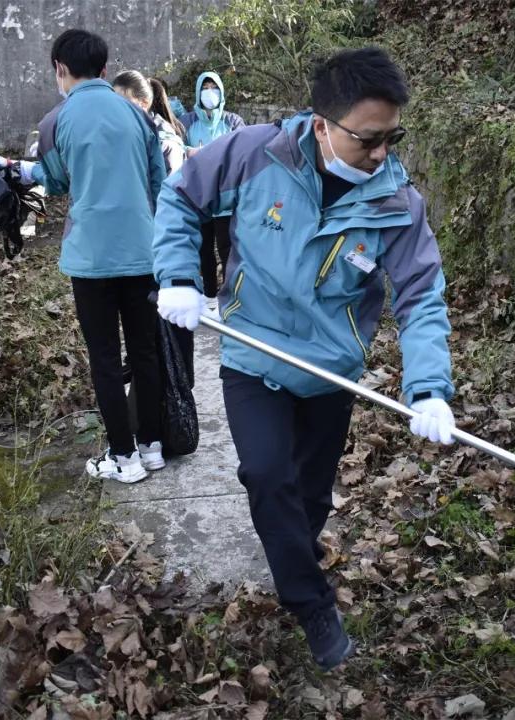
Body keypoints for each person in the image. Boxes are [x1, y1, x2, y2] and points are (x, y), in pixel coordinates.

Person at [153, 47, 457, 671]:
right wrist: (180, 275)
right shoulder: (254, 155)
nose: (382, 154)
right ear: (323, 124)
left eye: (392, 138)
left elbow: (422, 296)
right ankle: (311, 602)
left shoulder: (397, 205)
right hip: (253, 354)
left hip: (328, 370)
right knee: (267, 476)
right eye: (368, 139)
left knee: (310, 493)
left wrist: (428, 388)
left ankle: (294, 550)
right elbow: (181, 196)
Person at [18, 29, 168, 483]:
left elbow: (58, 182)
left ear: (60, 70)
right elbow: (159, 182)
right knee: (146, 351)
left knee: (104, 358)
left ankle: (124, 459)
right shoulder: (138, 116)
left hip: (91, 259)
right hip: (143, 253)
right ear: (105, 69)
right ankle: (153, 446)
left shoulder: (53, 121)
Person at [178, 71, 245, 311]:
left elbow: (242, 150)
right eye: (204, 87)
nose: (209, 92)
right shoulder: (186, 122)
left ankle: (229, 298)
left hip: (227, 198)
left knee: (229, 250)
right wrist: (190, 151)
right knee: (204, 250)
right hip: (199, 197)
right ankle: (209, 296)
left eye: (213, 87)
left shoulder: (233, 121)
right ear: (198, 92)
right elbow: (177, 147)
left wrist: (210, 153)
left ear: (221, 91)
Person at [112, 70, 186, 175]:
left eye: (125, 103)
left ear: (144, 104)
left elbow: (168, 188)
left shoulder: (166, 146)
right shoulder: (122, 136)